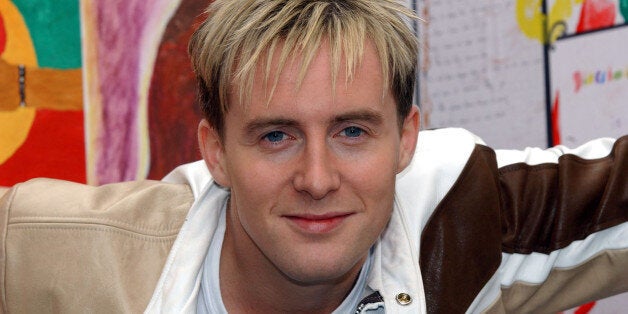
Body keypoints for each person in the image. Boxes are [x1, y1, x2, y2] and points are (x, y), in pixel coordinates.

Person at [1, 0, 626, 313]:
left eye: (353, 131)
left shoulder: (456, 219)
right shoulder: (58, 250)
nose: (318, 179)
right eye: (276, 136)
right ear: (214, 150)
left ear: (407, 138)